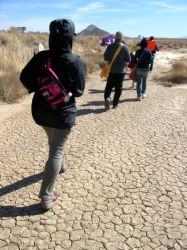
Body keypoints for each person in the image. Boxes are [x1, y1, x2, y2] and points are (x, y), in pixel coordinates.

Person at [20, 19, 86, 210]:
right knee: (55, 150)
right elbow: (80, 91)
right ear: (70, 38)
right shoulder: (75, 61)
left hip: (41, 112)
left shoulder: (41, 57)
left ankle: (61, 165)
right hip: (62, 114)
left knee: (54, 143)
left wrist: (38, 87)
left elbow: (24, 77)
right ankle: (46, 197)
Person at [103, 31, 131, 110]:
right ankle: (115, 104)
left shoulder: (110, 46)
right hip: (121, 71)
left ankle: (107, 98)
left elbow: (105, 58)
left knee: (109, 86)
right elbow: (128, 59)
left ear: (115, 37)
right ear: (122, 38)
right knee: (118, 88)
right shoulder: (125, 47)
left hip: (111, 70)